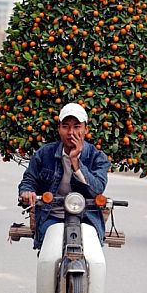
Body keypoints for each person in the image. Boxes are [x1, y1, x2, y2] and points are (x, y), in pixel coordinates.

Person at [18, 102, 111, 249]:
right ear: (59, 129)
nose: (71, 132)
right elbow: (29, 179)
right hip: (52, 216)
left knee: (94, 256)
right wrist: (27, 192)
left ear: (86, 129)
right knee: (49, 252)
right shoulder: (44, 154)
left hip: (87, 218)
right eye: (66, 126)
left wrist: (76, 162)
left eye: (77, 126)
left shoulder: (98, 157)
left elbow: (97, 188)